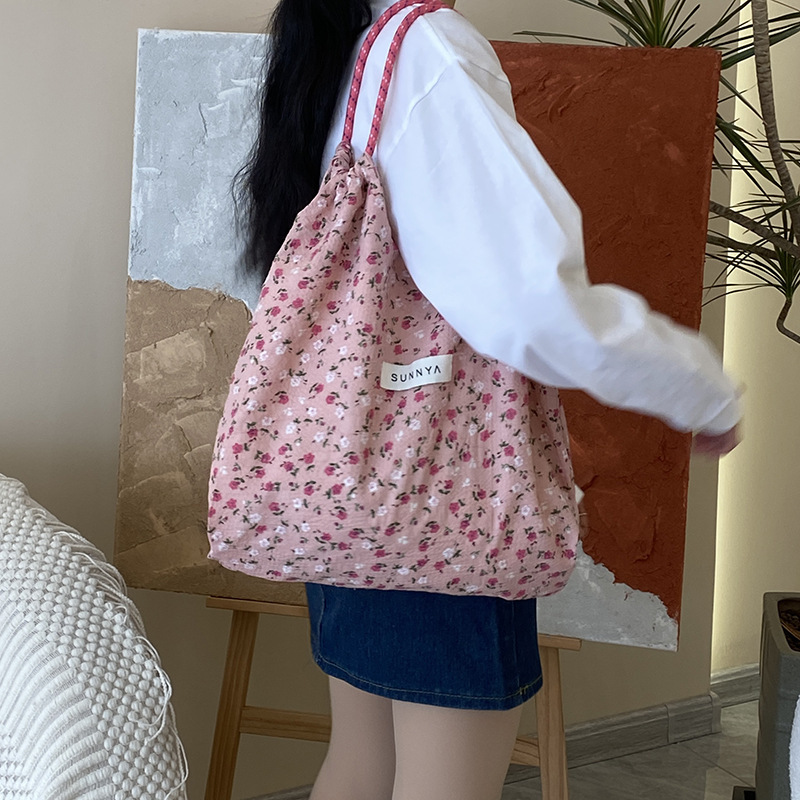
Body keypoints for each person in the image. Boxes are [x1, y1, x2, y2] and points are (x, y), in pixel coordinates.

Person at [234, 1, 742, 798]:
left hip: (349, 487)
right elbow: (532, 305)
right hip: (446, 506)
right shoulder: (430, 49)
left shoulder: (344, 47)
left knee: (360, 764)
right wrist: (698, 388)